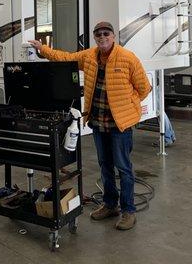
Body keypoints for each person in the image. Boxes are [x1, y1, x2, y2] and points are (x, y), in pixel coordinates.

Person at [29, 21, 151, 230]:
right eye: (98, 34)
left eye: (106, 33)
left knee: (123, 168)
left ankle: (128, 211)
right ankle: (110, 204)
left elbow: (144, 88)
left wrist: (128, 108)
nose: (102, 37)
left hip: (119, 125)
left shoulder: (128, 58)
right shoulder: (89, 56)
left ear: (113, 36)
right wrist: (43, 49)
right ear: (95, 38)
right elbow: (65, 58)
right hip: (97, 122)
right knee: (105, 165)